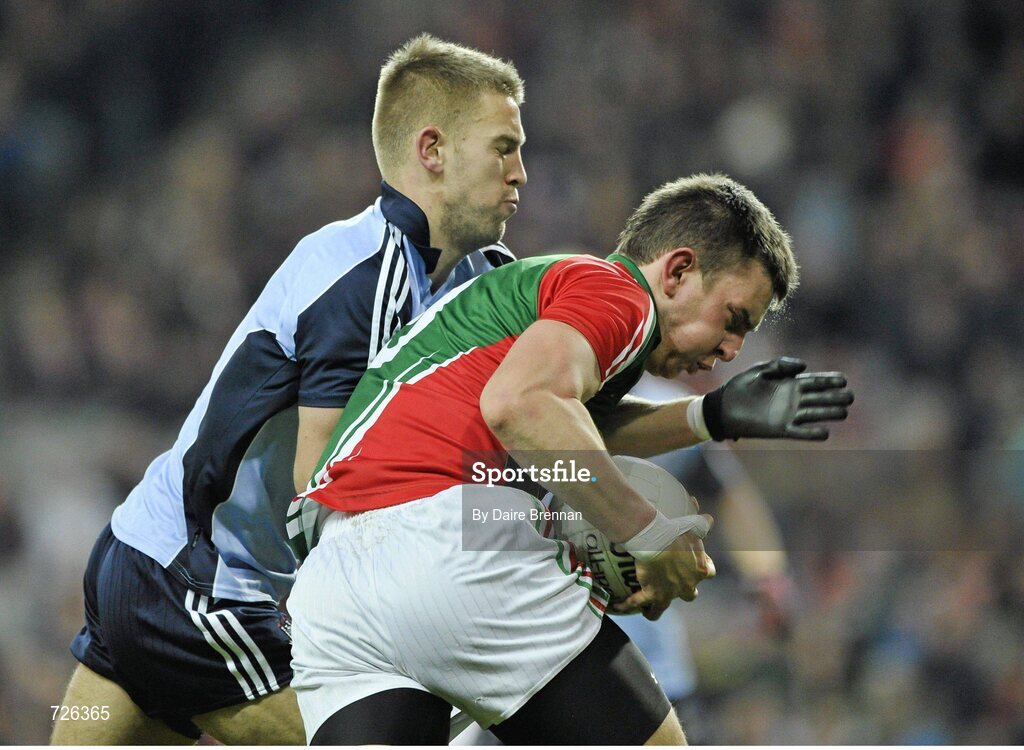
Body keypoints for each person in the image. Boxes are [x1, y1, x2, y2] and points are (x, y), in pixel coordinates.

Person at [53, 34, 527, 745]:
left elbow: (539, 426)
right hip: (198, 590)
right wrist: (534, 541)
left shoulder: (485, 281)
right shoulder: (360, 278)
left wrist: (679, 433)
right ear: (432, 150)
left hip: (152, 564)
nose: (521, 172)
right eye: (503, 148)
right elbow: (324, 491)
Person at [287, 173, 854, 745]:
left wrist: (708, 416)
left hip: (333, 588)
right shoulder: (617, 294)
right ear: (678, 272)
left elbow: (560, 423)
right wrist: (650, 534)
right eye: (733, 320)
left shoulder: (544, 304)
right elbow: (519, 406)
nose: (732, 350)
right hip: (449, 542)